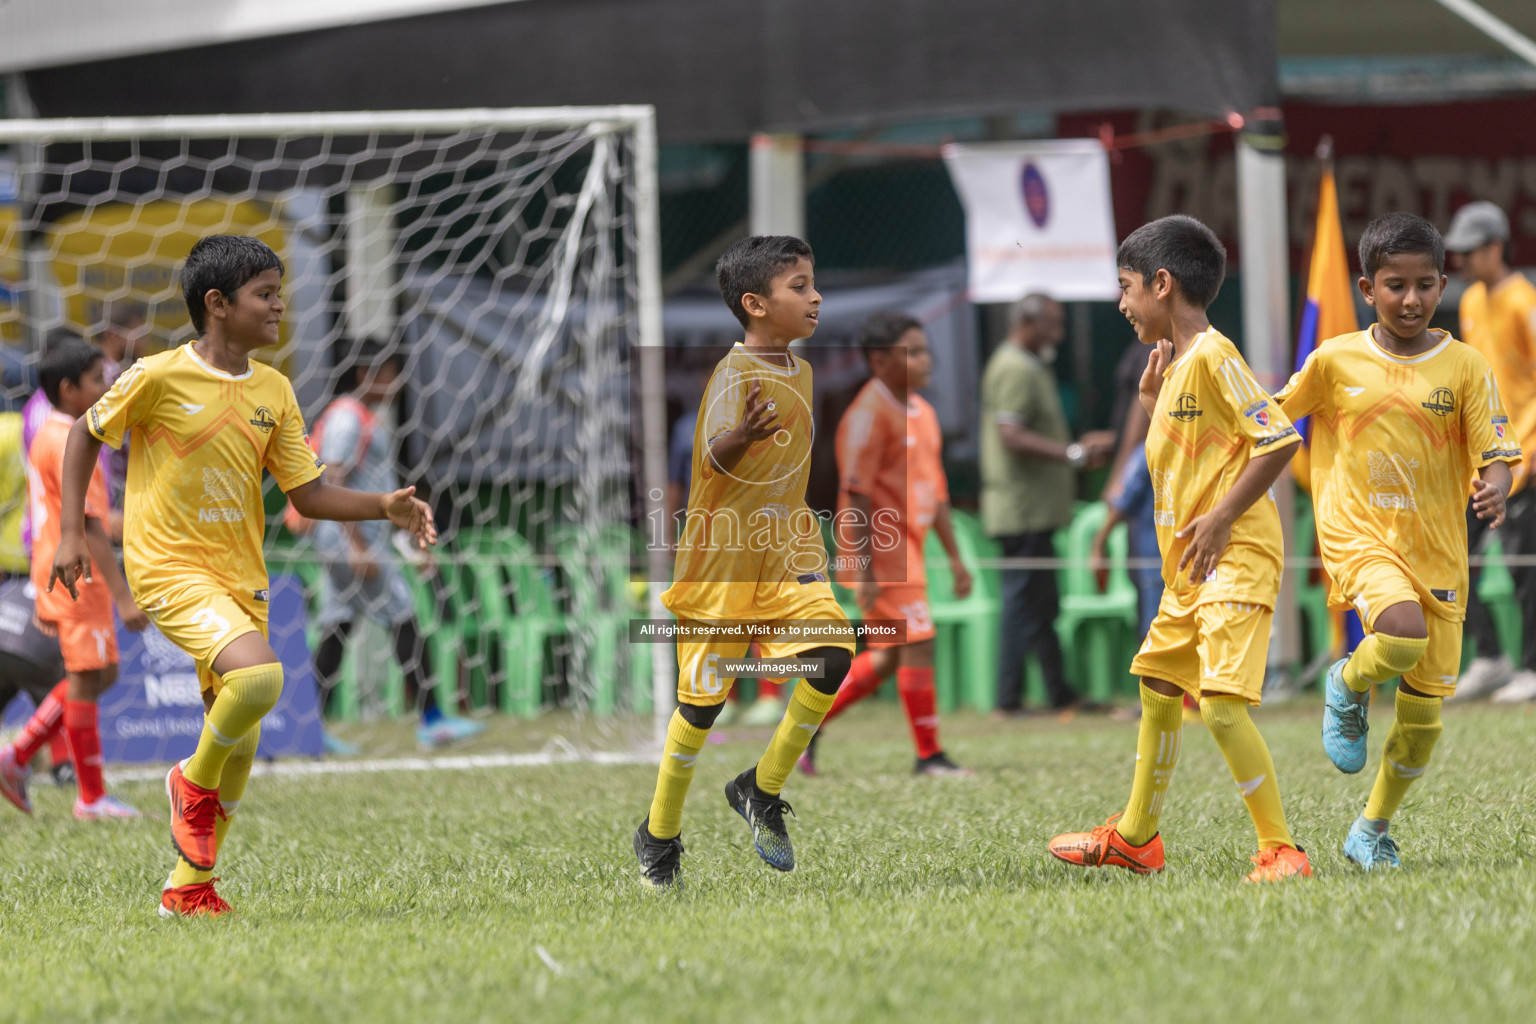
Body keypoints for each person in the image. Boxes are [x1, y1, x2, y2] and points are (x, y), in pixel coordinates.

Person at [49, 235, 437, 917]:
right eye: (267, 293)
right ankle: (187, 784)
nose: (280, 305)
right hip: (168, 567)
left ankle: (188, 889)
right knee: (259, 679)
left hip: (241, 578)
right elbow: (84, 433)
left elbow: (307, 494)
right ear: (218, 304)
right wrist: (73, 533)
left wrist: (384, 507)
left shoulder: (274, 390)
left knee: (243, 740)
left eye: (280, 291)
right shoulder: (156, 375)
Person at [1048, 215, 1312, 883]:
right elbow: (1188, 456)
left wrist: (1224, 516)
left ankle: (1282, 850)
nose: (1121, 302)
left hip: (1236, 556)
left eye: (1126, 287)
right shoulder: (1180, 366)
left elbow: (1278, 439)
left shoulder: (1217, 355)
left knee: (1220, 705)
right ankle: (1136, 836)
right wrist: (1150, 397)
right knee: (1161, 682)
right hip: (1189, 573)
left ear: (1161, 285)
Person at [1277, 213, 1519, 870]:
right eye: (1394, 286)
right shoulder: (1333, 361)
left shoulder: (1466, 367)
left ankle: (1370, 830)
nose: (1410, 300)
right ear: (1366, 287)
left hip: (1440, 551)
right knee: (1402, 632)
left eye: (1423, 285)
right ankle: (1348, 682)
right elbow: (1273, 421)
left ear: (1442, 284)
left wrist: (1496, 484)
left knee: (1422, 722)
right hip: (1360, 536)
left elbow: (1498, 447)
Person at [631, 235, 855, 889]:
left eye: (814, 283)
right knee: (702, 708)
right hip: (721, 562)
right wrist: (741, 437)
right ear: (755, 304)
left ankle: (760, 788)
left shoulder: (802, 372)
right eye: (800, 287)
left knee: (833, 655)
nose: (815, 297)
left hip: (786, 550)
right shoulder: (734, 377)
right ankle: (659, 833)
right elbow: (713, 460)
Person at [800, 310, 973, 777]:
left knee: (891, 654)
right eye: (912, 352)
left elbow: (936, 493)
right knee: (918, 644)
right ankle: (930, 756)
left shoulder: (925, 412)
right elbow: (854, 500)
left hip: (908, 555)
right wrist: (867, 572)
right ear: (879, 361)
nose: (925, 359)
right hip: (879, 557)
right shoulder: (866, 416)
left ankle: (802, 727)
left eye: (924, 349)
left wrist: (955, 558)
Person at [306, 339, 483, 751]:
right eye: (389, 373)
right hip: (352, 542)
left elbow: (376, 490)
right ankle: (433, 720)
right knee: (403, 614)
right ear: (366, 374)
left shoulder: (360, 416)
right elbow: (331, 479)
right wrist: (358, 546)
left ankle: (310, 728)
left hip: (353, 540)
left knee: (338, 626)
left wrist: (404, 543)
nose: (397, 382)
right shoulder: (349, 418)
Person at [0, 336, 149, 819]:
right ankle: (90, 797)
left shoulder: (52, 430)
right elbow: (87, 523)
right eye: (96, 380)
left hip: (56, 564)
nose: (107, 386)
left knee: (100, 673)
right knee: (87, 676)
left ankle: (17, 755)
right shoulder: (70, 439)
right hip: (75, 570)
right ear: (68, 389)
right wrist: (124, 597)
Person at [979, 293, 1114, 715]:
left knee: (1042, 605)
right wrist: (1071, 455)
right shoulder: (1015, 367)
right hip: (1021, 511)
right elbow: (1010, 435)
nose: (1059, 333)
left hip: (1035, 510)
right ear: (1029, 323)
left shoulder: (1028, 364)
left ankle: (1059, 692)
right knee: (1022, 605)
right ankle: (1008, 700)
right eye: (1053, 324)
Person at [1442, 201, 1536, 702]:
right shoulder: (1472, 301)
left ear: (1496, 247)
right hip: (1483, 456)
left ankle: (1531, 667)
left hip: (1527, 456)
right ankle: (1490, 657)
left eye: (1469, 251)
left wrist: (1531, 445)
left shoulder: (1524, 300)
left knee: (1525, 562)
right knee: (1461, 555)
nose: (1460, 261)